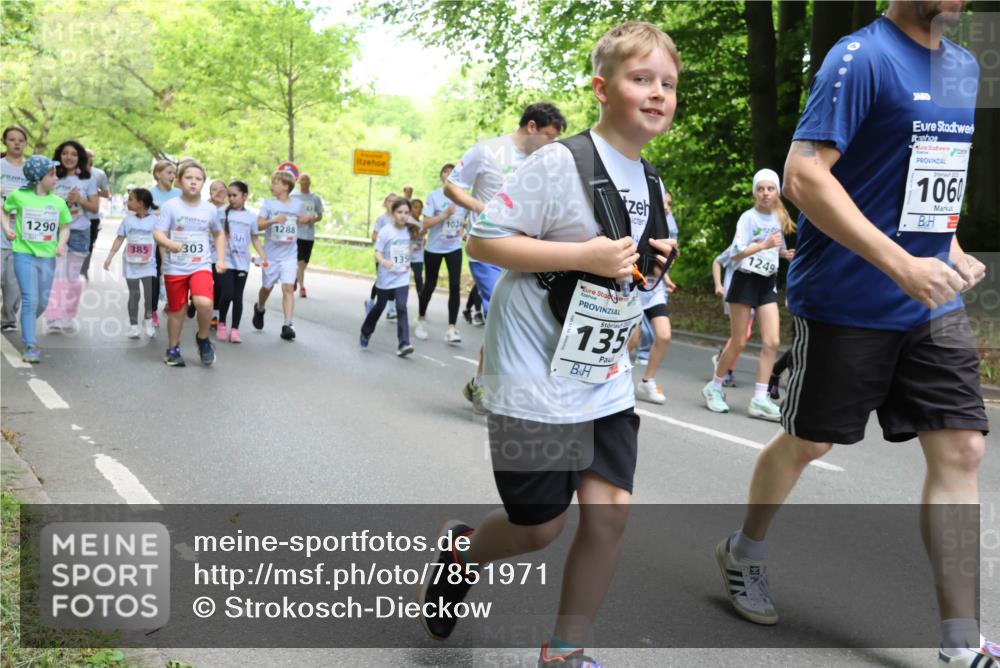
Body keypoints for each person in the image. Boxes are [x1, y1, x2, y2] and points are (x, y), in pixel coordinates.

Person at [715, 4, 995, 666]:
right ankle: (743, 549)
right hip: (847, 298)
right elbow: (804, 175)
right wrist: (899, 261)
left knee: (963, 451)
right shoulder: (859, 57)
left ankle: (961, 641)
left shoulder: (964, 66)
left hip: (928, 303)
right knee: (809, 442)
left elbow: (926, 169)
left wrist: (945, 242)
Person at [416, 21, 680, 667]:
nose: (657, 93)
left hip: (602, 372)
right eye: (640, 78)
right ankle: (462, 551)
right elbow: (484, 241)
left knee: (609, 515)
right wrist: (584, 254)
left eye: (668, 83)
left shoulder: (651, 185)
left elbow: (631, 275)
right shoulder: (559, 162)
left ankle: (564, 651)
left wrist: (654, 264)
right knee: (539, 527)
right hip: (532, 370)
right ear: (601, 88)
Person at [444, 102, 568, 413]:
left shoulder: (545, 162)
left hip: (525, 252)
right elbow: (451, 187)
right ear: (531, 127)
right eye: (550, 136)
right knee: (499, 316)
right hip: (489, 247)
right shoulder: (487, 151)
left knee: (509, 318)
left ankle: (482, 383)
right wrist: (481, 208)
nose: (552, 144)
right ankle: (494, 389)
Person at [701, 168, 793, 420]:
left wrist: (786, 254)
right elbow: (735, 253)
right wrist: (761, 245)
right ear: (755, 192)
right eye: (761, 189)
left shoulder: (778, 218)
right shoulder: (748, 218)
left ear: (777, 192)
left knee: (772, 341)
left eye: (770, 188)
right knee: (739, 341)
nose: (765, 193)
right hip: (744, 282)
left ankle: (760, 399)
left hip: (767, 283)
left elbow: (779, 249)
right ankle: (714, 387)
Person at [153, 161, 226, 367]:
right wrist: (169, 243)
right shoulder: (171, 206)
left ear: (203, 183)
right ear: (179, 181)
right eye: (189, 178)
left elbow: (219, 234)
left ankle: (203, 339)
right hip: (175, 266)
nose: (193, 182)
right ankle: (173, 349)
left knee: (204, 303)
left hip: (200, 265)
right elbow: (158, 232)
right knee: (178, 310)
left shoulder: (209, 209)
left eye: (198, 179)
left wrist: (220, 259)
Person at [2, 155, 71, 362]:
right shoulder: (19, 196)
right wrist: (7, 229)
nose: (56, 179)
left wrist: (60, 244)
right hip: (23, 254)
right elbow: (4, 210)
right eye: (52, 175)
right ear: (38, 177)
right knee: (30, 299)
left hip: (47, 257)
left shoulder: (58, 202)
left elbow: (65, 226)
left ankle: (27, 323)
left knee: (41, 302)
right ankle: (30, 345)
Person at [629, 189, 679, 404]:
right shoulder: (641, 221)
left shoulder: (670, 227)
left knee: (664, 335)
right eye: (663, 202)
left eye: (669, 203)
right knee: (632, 339)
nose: (666, 206)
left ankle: (647, 382)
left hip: (654, 290)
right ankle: (613, 377)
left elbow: (662, 261)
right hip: (634, 288)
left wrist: (665, 278)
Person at [251, 170, 313, 341]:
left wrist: (306, 219)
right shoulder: (268, 204)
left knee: (288, 288)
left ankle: (288, 324)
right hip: (271, 255)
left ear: (285, 186)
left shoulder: (297, 205)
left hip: (289, 254)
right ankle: (260, 307)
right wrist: (272, 220)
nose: (271, 186)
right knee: (267, 287)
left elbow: (306, 218)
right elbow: (257, 225)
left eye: (275, 182)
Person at [46, 140, 98, 332]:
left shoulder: (88, 180)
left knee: (72, 277)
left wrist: (79, 200)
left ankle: (68, 315)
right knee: (56, 276)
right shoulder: (51, 177)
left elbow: (94, 208)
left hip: (79, 231)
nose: (69, 157)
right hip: (56, 231)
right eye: (65, 153)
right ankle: (53, 318)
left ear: (80, 158)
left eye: (74, 154)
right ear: (59, 155)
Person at [415, 164, 465, 344]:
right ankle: (420, 319)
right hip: (434, 248)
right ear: (441, 176)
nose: (449, 174)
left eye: (453, 171)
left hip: (454, 247)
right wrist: (444, 215)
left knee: (454, 285)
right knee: (430, 284)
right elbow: (426, 223)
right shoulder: (434, 196)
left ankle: (452, 328)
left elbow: (464, 221)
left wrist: (465, 231)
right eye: (446, 171)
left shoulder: (464, 197)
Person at [359, 197, 415, 357]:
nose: (403, 216)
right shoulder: (386, 231)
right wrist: (383, 261)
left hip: (402, 276)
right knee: (379, 306)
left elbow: (412, 245)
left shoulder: (409, 230)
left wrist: (410, 251)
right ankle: (365, 331)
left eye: (406, 212)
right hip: (386, 276)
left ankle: (404, 343)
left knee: (402, 307)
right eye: (400, 212)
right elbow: (377, 251)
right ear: (393, 213)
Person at [103, 188, 158, 339]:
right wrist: (110, 256)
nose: (128, 202)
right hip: (131, 264)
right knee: (135, 295)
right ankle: (133, 326)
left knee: (149, 296)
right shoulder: (127, 220)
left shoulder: (155, 221)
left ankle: (147, 320)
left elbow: (162, 241)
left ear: (141, 203)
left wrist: (165, 263)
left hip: (148, 265)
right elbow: (120, 238)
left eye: (131, 199)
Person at [216, 181, 263, 343]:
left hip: (242, 263)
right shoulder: (222, 213)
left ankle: (235, 330)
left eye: (234, 195)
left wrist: (264, 256)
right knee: (227, 293)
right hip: (225, 261)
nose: (231, 198)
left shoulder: (250, 217)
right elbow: (215, 234)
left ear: (245, 196)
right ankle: (221, 323)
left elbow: (255, 238)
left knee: (237, 297)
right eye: (229, 195)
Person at [710, 247, 751, 387]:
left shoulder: (767, 247)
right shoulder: (738, 246)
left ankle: (723, 361)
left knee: (742, 336)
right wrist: (718, 285)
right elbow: (717, 261)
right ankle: (724, 368)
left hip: (754, 294)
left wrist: (785, 254)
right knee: (742, 335)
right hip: (734, 294)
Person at [1, 126, 29, 332]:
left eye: (21, 140)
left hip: (21, 235)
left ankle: (8, 319)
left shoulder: (31, 170)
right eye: (12, 139)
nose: (17, 143)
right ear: (5, 142)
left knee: (13, 284)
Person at [149, 160, 181, 329]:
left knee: (173, 276)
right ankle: (152, 310)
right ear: (158, 174)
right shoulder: (149, 193)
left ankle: (172, 303)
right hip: (153, 242)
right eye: (169, 172)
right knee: (154, 276)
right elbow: (142, 213)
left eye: (174, 173)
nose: (172, 176)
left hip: (174, 242)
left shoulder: (178, 193)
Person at [80, 149, 109, 280]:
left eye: (90, 156)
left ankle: (84, 269)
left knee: (89, 245)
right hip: (76, 215)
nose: (88, 158)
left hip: (92, 216)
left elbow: (106, 193)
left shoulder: (99, 174)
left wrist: (92, 191)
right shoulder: (74, 172)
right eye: (86, 156)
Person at [293, 172, 323, 298]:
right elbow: (289, 213)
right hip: (297, 234)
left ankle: (295, 278)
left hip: (309, 235)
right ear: (299, 182)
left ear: (310, 183)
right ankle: (302, 288)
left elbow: (320, 215)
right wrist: (297, 219)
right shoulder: (294, 197)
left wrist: (313, 220)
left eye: (307, 180)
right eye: (302, 180)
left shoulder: (315, 198)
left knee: (304, 264)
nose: (304, 182)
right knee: (300, 263)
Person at [207, 179, 228, 326]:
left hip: (221, 254)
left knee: (220, 285)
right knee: (204, 285)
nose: (219, 192)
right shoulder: (204, 208)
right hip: (204, 253)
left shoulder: (230, 209)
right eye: (215, 189)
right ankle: (194, 303)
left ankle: (215, 314)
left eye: (222, 189)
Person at [409, 198, 426, 299]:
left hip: (418, 256)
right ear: (410, 208)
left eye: (420, 208)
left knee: (419, 279)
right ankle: (394, 304)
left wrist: (423, 242)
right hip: (407, 255)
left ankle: (422, 302)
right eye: (415, 207)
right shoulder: (407, 221)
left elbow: (421, 239)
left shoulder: (423, 223)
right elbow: (412, 235)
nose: (418, 210)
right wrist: (420, 234)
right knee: (403, 280)